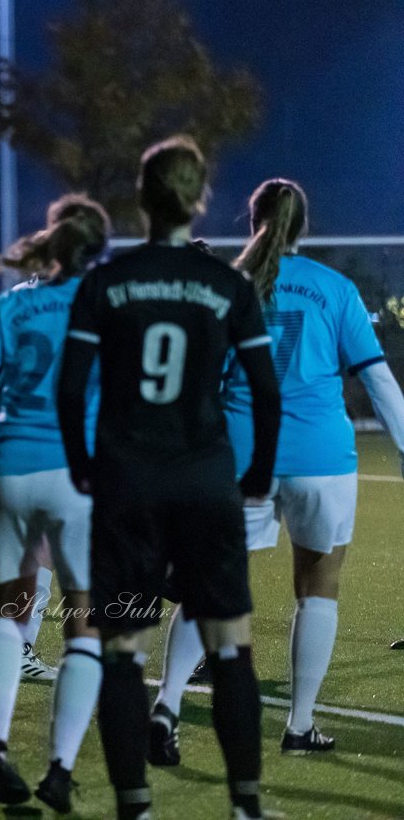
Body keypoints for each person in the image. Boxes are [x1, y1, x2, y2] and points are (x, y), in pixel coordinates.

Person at [56, 136, 281, 820]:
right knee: (230, 644)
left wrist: (84, 465)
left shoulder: (107, 281)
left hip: (128, 482)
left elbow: (70, 389)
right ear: (199, 197)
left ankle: (136, 806)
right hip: (206, 481)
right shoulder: (228, 283)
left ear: (142, 198)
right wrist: (257, 477)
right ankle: (246, 804)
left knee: (123, 648)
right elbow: (267, 394)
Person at [148, 178, 404, 762]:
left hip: (240, 456)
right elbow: (378, 378)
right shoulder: (334, 289)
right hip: (322, 458)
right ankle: (299, 726)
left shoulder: (224, 287)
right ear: (303, 227)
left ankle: (165, 708)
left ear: (252, 219)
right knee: (319, 587)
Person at [0, 198, 109, 814]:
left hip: (12, 467)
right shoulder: (104, 306)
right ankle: (61, 769)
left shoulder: (16, 303)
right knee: (84, 622)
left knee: (8, 611)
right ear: (95, 254)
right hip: (75, 474)